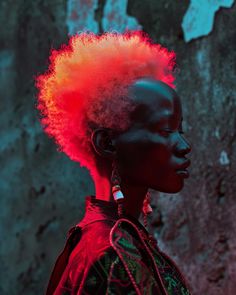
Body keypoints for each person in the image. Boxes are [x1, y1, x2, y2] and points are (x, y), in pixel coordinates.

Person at [36, 30, 192, 295]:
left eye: (181, 131)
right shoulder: (111, 253)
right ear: (107, 143)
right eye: (166, 131)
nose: (184, 146)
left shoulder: (110, 238)